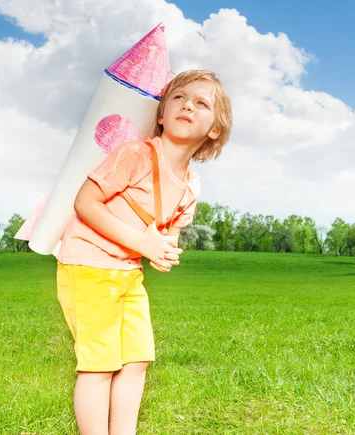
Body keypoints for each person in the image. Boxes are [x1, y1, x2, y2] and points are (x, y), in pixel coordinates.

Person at [56, 69, 232, 435]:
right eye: (179, 98)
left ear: (214, 129)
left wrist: (164, 253)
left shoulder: (190, 187)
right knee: (99, 365)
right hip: (88, 263)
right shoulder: (135, 154)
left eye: (201, 103)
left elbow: (167, 236)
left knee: (136, 360)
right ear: (162, 113)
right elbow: (85, 203)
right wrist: (144, 245)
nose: (187, 106)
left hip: (127, 272)